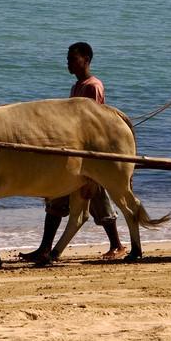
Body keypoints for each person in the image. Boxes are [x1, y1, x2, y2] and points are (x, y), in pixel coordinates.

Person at [20, 42, 128, 263]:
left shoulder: (93, 86)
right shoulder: (77, 86)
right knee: (56, 199)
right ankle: (44, 248)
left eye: (72, 59)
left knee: (99, 199)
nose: (68, 63)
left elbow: (92, 123)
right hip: (74, 152)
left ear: (86, 60)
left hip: (90, 154)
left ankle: (117, 244)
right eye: (68, 59)